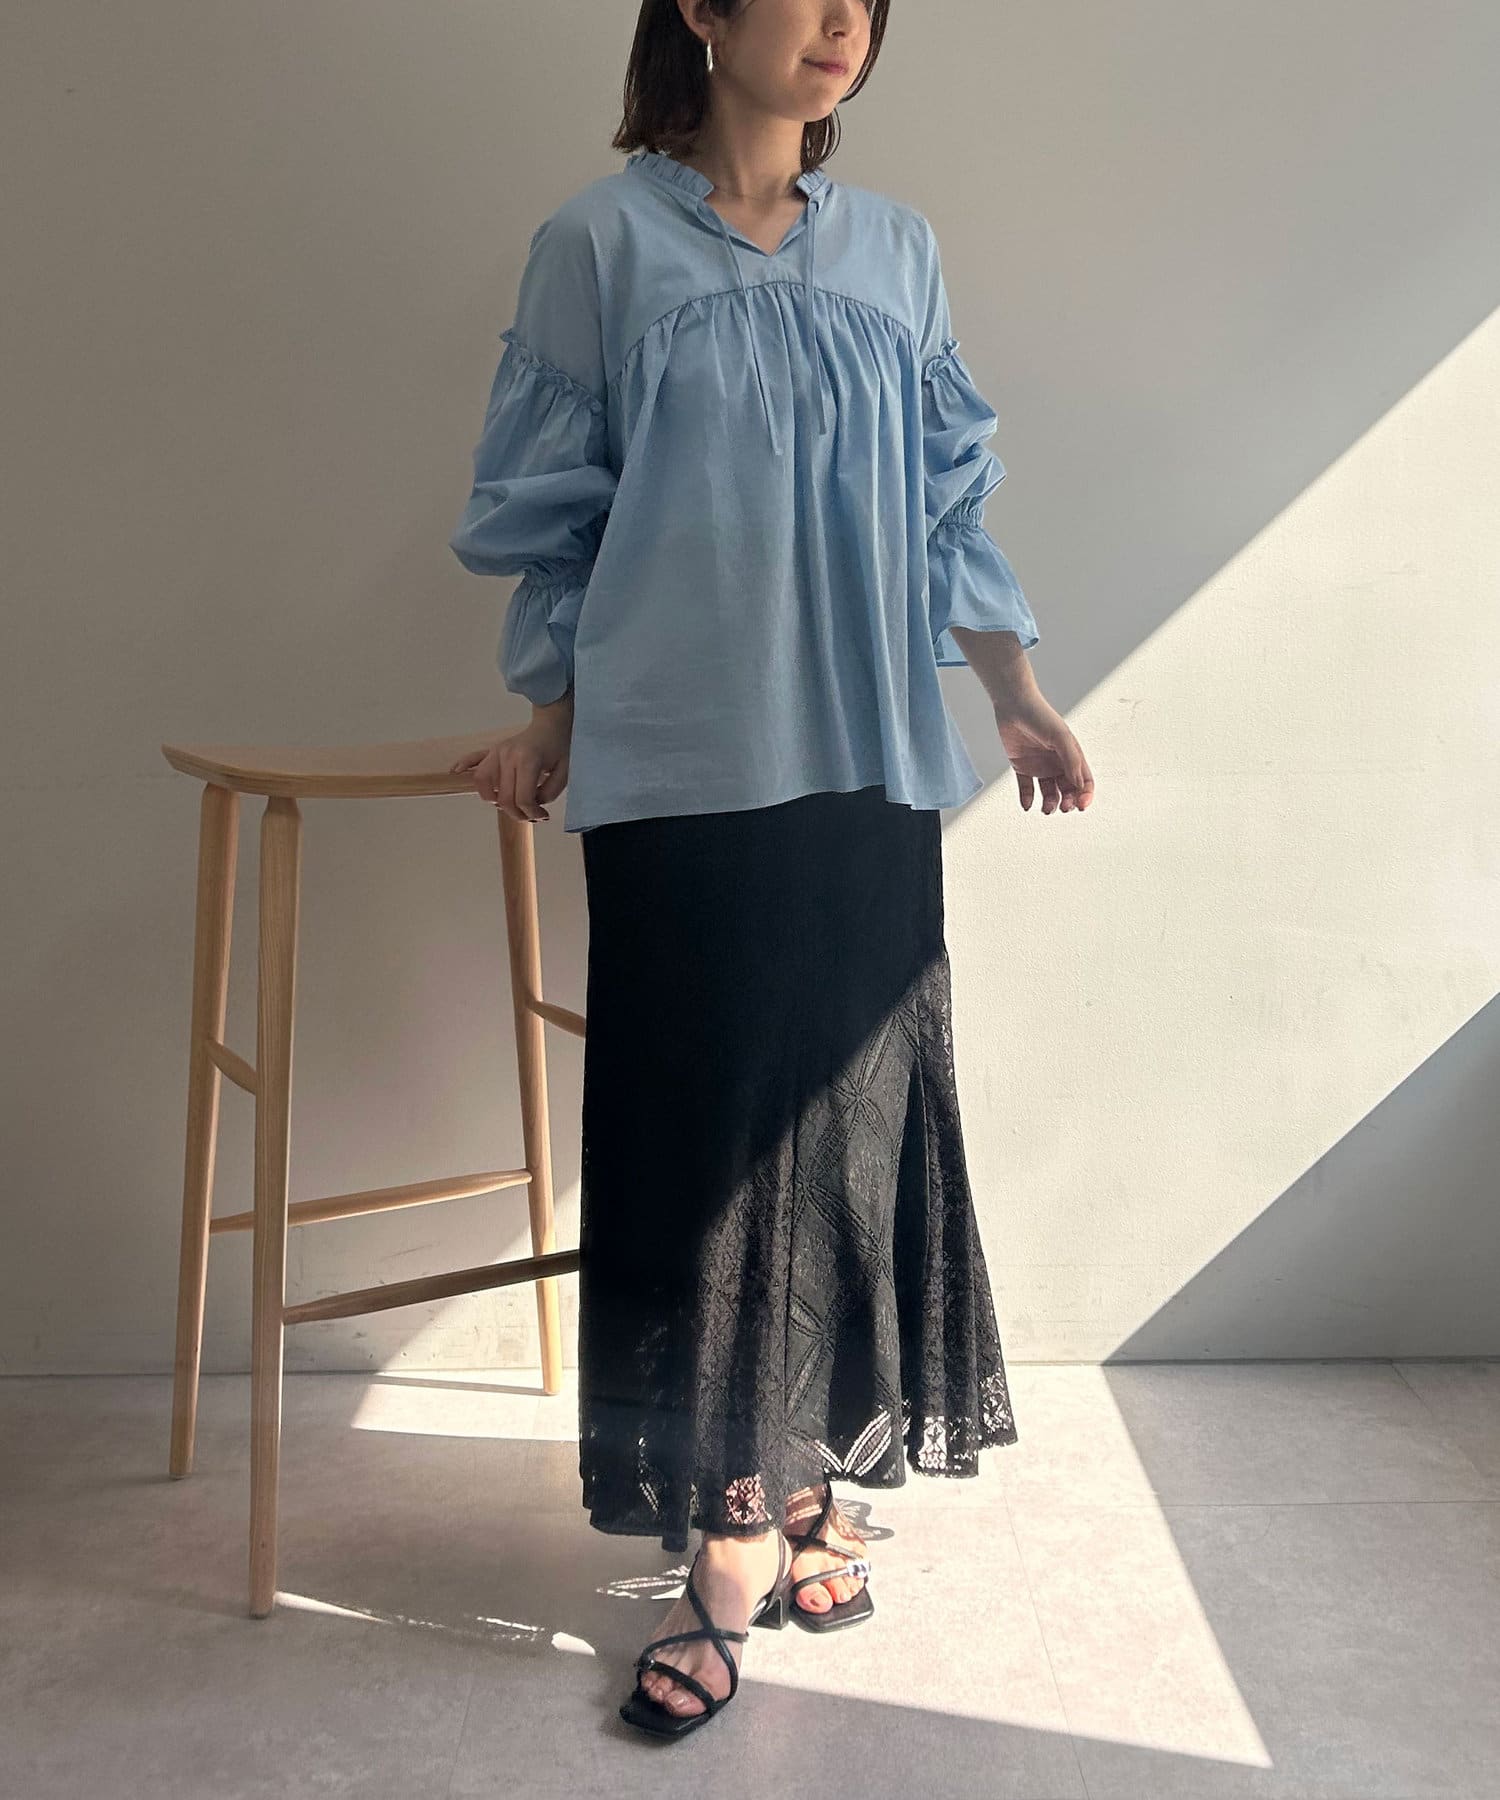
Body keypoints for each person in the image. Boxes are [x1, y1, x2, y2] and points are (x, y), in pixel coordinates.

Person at [447, 0, 1095, 1741]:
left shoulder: (896, 249)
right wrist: (555, 714)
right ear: (705, 12)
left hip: (871, 764)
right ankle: (727, 1529)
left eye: (866, 3)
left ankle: (806, 1477)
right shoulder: (597, 246)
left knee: (853, 1126)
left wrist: (1015, 694)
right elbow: (559, 514)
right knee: (708, 1143)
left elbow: (948, 497)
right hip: (683, 766)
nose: (841, 27)